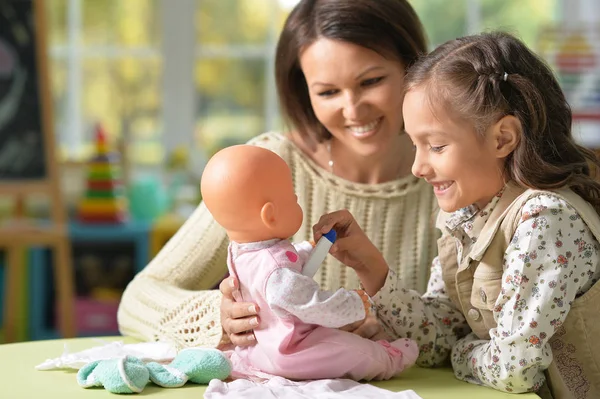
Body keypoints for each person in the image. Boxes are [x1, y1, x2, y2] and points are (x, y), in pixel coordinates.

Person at [118, 0, 438, 350]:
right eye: (328, 92)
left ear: (413, 67)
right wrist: (220, 317)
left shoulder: (452, 175)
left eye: (371, 81)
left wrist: (395, 323)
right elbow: (137, 300)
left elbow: (476, 327)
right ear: (304, 92)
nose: (352, 109)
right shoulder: (267, 166)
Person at [312, 31, 600, 398]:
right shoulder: (465, 217)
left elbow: (515, 370)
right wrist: (372, 268)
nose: (417, 166)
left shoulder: (545, 220)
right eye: (414, 144)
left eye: (435, 146)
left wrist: (462, 353)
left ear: (502, 138)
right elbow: (439, 336)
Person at [200, 144, 417, 380]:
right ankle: (389, 359)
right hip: (293, 350)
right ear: (270, 215)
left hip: (261, 350)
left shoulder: (242, 253)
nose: (297, 201)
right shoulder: (276, 271)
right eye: (293, 199)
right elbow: (311, 304)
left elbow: (289, 262)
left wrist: (313, 248)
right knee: (349, 349)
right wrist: (355, 303)